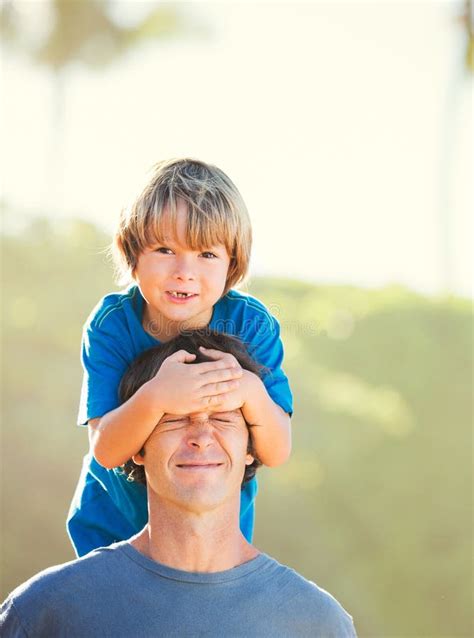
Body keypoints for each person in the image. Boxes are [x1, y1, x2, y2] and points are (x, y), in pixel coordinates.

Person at [1, 332, 356, 637]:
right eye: (175, 419)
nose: (201, 436)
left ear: (250, 447)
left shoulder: (316, 623)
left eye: (222, 417)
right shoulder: (44, 613)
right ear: (137, 445)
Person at [68, 158, 293, 557]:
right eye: (165, 249)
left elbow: (276, 451)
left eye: (206, 254)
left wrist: (250, 391)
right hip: (115, 530)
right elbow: (106, 450)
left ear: (232, 264)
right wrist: (158, 397)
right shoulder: (111, 325)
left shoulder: (251, 324)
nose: (183, 271)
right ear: (133, 255)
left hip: (210, 538)